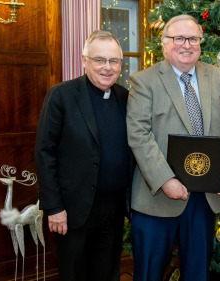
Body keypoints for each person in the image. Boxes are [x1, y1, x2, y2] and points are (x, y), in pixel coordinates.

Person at [126, 15, 220, 281]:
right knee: (149, 274)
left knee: (197, 273)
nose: (187, 45)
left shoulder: (219, 77)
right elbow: (139, 134)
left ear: (201, 43)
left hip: (205, 197)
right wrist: (165, 179)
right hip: (156, 198)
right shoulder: (144, 81)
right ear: (165, 44)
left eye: (193, 39)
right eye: (179, 38)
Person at [35, 30, 133, 281]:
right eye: (100, 59)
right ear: (84, 60)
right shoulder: (61, 95)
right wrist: (54, 207)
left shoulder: (125, 97)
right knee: (75, 275)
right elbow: (45, 153)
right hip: (73, 210)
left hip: (113, 209)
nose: (107, 68)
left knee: (108, 273)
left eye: (114, 61)